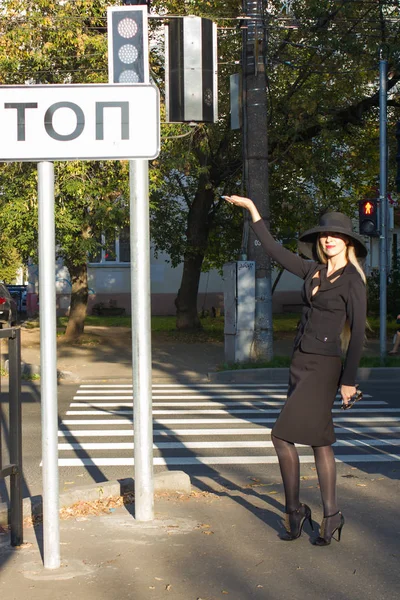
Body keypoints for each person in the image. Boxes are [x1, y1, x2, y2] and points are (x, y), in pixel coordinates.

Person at [223, 195, 367, 546]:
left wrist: (348, 381)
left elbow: (360, 332)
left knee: (280, 435)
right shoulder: (312, 270)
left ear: (347, 241)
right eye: (323, 236)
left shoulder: (353, 280)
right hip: (300, 362)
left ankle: (293, 511)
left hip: (325, 366)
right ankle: (330, 515)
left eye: (335, 235)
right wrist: (254, 212)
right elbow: (273, 250)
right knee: (318, 440)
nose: (328, 240)